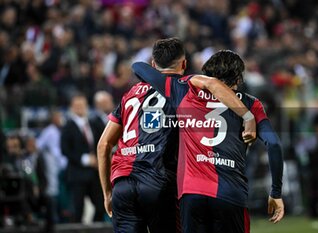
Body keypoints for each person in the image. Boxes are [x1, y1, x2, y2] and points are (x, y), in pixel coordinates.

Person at [97, 38, 256, 233]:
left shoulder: (131, 94)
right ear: (184, 64)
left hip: (123, 184)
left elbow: (104, 144)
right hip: (160, 180)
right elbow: (213, 86)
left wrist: (107, 193)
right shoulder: (185, 89)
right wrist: (247, 116)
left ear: (154, 64)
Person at [132, 49, 284, 233]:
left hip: (191, 193)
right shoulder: (251, 104)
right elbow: (274, 144)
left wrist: (197, 80)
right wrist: (275, 192)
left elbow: (138, 66)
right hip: (231, 192)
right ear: (238, 78)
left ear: (208, 73)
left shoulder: (184, 91)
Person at [60, 94, 104, 223]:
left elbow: (100, 143)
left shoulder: (93, 124)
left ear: (86, 106)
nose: (80, 108)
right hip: (77, 174)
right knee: (77, 210)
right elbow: (65, 150)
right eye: (76, 105)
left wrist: (97, 159)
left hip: (94, 174)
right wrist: (84, 159)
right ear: (71, 108)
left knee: (101, 206)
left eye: (82, 105)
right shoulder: (68, 127)